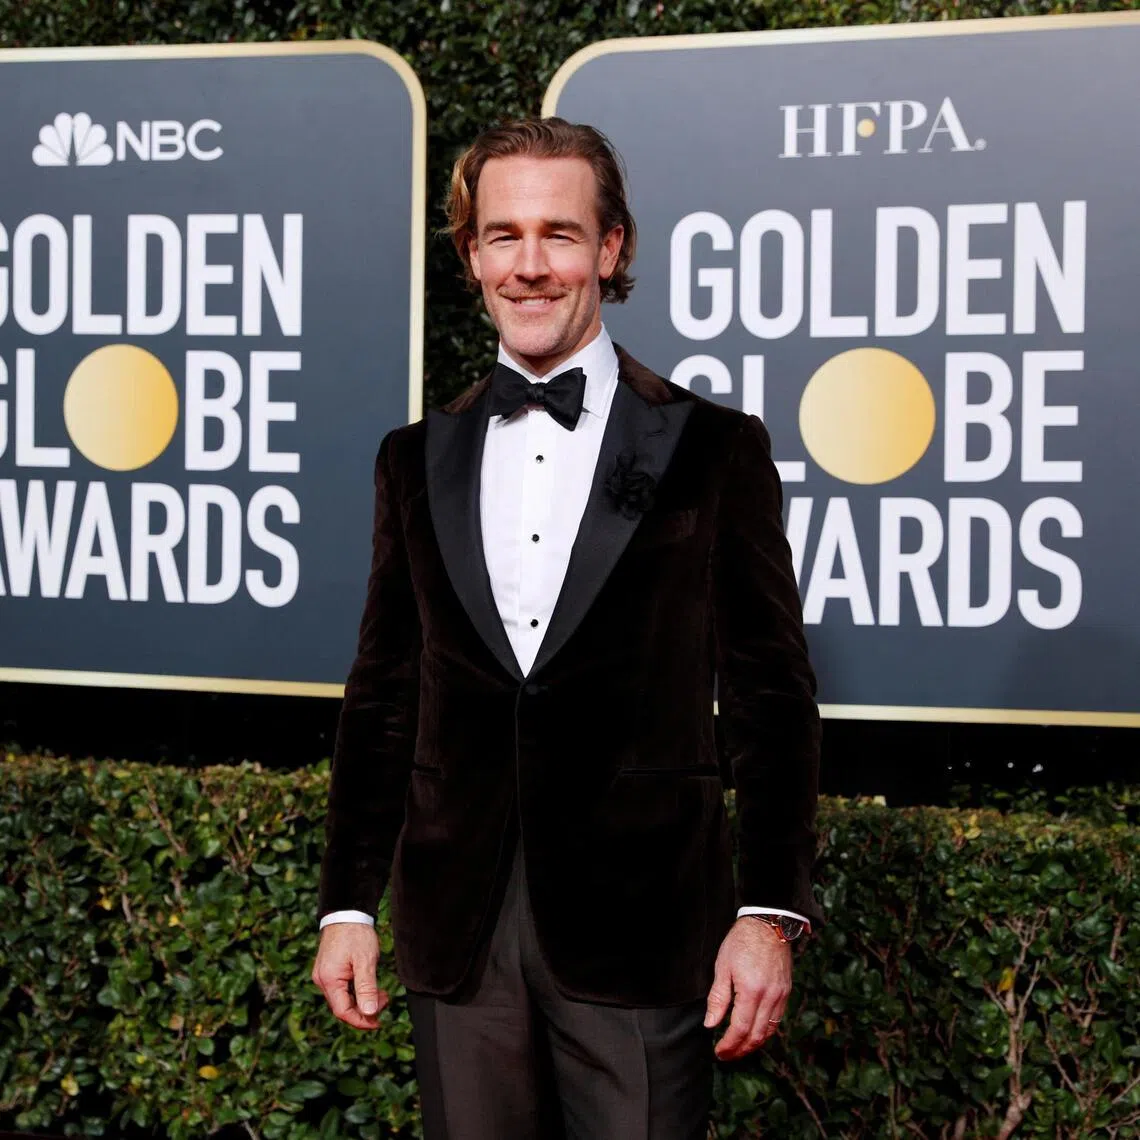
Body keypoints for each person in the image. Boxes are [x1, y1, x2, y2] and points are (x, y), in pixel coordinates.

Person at [311, 117, 823, 1140]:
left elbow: (770, 693)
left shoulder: (713, 448)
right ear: (470, 255)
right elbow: (384, 690)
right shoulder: (415, 457)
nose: (531, 265)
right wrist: (348, 905)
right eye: (503, 235)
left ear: (611, 248)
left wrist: (768, 913)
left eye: (559, 233)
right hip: (459, 926)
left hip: (640, 923)